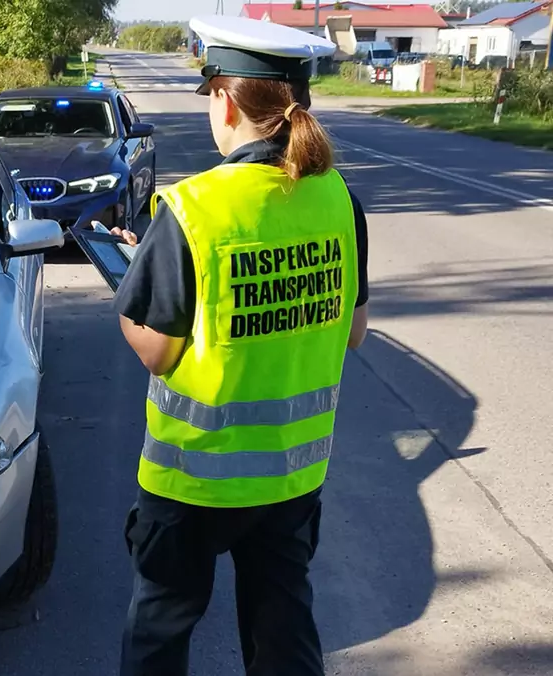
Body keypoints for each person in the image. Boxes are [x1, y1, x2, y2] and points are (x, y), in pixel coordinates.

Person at [109, 15, 370, 676]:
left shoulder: (194, 209)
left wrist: (134, 289)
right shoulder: (338, 199)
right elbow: (355, 330)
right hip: (291, 477)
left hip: (193, 479)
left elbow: (158, 352)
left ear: (224, 100)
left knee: (160, 635)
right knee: (284, 632)